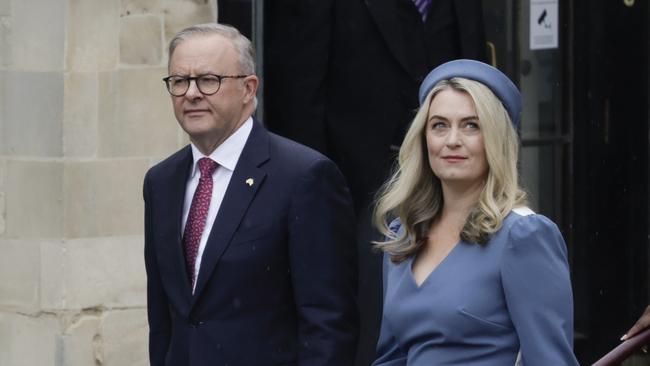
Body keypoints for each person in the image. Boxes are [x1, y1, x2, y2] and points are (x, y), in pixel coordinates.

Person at [264, 3, 487, 364]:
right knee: (370, 320)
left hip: (455, 186)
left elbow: (478, 78)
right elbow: (300, 91)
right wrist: (320, 192)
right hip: (357, 187)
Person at [143, 23, 358, 366]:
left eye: (209, 80)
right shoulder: (161, 182)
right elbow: (163, 319)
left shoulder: (304, 177)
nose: (192, 93)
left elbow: (328, 323)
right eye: (180, 81)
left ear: (248, 88)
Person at [371, 59, 579, 365]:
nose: (452, 140)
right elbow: (390, 359)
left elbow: (550, 360)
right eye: (439, 125)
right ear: (423, 137)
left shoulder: (523, 235)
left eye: (471, 125)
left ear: (495, 138)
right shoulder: (403, 234)